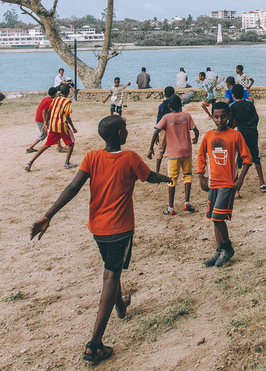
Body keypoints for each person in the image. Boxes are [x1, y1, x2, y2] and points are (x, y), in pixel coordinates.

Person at [30, 115, 171, 363]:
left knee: (110, 269)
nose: (126, 131)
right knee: (111, 275)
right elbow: (148, 176)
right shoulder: (130, 158)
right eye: (125, 128)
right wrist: (165, 178)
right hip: (121, 228)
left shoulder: (92, 157)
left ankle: (121, 307)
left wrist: (47, 215)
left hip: (98, 229)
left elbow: (73, 187)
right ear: (120, 134)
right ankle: (94, 344)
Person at [197, 102, 252, 267]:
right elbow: (201, 156)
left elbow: (247, 158)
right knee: (213, 219)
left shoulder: (235, 136)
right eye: (216, 116)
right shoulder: (208, 136)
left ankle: (227, 248)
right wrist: (201, 176)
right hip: (213, 183)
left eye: (223, 117)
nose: (219, 120)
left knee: (218, 217)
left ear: (229, 117)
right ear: (212, 117)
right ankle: (219, 249)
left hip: (227, 184)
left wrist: (240, 179)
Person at [147, 95, 199, 215]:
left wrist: (151, 148)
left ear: (169, 107)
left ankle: (170, 207)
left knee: (172, 179)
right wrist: (195, 138)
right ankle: (186, 203)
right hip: (186, 151)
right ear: (181, 105)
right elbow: (196, 130)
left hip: (173, 153)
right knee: (187, 176)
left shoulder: (167, 117)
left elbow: (156, 131)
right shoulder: (187, 116)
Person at [25, 84, 78, 171]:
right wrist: (73, 127)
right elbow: (68, 117)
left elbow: (48, 111)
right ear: (69, 92)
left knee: (47, 145)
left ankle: (30, 162)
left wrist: (46, 123)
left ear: (60, 92)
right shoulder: (68, 102)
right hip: (62, 126)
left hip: (53, 125)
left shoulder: (56, 99)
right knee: (71, 143)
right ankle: (67, 163)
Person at [230, 84, 266, 192]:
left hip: (241, 135)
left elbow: (231, 122)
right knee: (256, 157)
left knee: (237, 158)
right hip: (252, 133)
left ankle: (236, 189)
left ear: (233, 95)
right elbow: (256, 117)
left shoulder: (233, 107)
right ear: (243, 94)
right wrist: (253, 126)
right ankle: (262, 182)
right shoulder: (250, 104)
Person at [26, 87, 58, 153]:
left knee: (55, 129)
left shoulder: (46, 98)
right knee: (44, 134)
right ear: (55, 94)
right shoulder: (50, 101)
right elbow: (44, 111)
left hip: (39, 118)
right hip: (41, 119)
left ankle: (59, 146)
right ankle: (30, 147)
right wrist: (45, 123)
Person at [152, 86, 175, 173]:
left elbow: (159, 120)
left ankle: (157, 170)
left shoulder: (162, 106)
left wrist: (157, 133)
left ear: (164, 94)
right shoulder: (175, 104)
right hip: (174, 129)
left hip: (164, 129)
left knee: (161, 150)